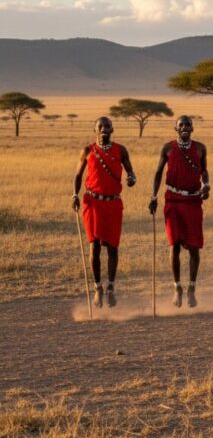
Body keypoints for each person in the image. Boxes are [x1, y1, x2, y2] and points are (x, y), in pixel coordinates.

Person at [72, 117, 137, 308]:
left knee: (113, 247)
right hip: (92, 202)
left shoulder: (121, 150)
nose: (104, 129)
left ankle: (110, 288)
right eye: (100, 127)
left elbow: (131, 173)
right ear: (95, 130)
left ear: (112, 129)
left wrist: (132, 179)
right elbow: (78, 176)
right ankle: (97, 288)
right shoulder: (88, 151)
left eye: (107, 126)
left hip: (113, 204)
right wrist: (75, 195)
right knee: (95, 246)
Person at [148, 115, 209, 308]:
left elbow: (204, 171)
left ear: (192, 128)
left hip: (193, 200)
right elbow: (158, 173)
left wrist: (206, 185)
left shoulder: (200, 148)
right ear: (175, 128)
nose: (185, 127)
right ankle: (177, 288)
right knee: (173, 244)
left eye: (188, 124)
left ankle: (191, 289)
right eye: (181, 124)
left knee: (194, 247)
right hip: (172, 200)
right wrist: (153, 196)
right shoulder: (168, 148)